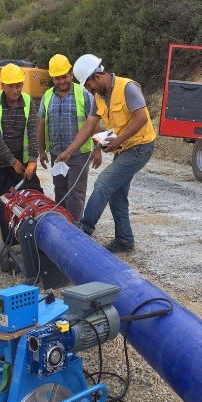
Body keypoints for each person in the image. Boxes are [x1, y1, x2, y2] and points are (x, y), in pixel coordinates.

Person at [56, 54, 156, 253]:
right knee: (117, 195)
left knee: (103, 182)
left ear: (98, 76)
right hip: (124, 149)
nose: (88, 89)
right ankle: (125, 241)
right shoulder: (98, 97)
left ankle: (85, 226)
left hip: (140, 147)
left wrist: (117, 140)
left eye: (89, 85)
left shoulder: (128, 87)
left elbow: (142, 117)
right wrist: (68, 152)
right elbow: (88, 126)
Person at [0, 63, 41, 252]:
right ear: (2, 85)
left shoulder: (29, 102)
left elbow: (32, 132)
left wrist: (33, 160)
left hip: (20, 164)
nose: (15, 89)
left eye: (19, 85)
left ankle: (28, 237)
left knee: (33, 196)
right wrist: (12, 161)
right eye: (11, 85)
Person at [37, 54, 101, 221]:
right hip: (57, 155)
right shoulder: (47, 96)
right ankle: (62, 223)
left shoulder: (84, 94)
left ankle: (74, 226)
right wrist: (42, 151)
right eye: (57, 78)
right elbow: (41, 124)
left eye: (64, 76)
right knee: (60, 190)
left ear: (71, 74)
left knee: (76, 192)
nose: (61, 81)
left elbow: (94, 123)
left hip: (79, 154)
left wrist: (97, 149)